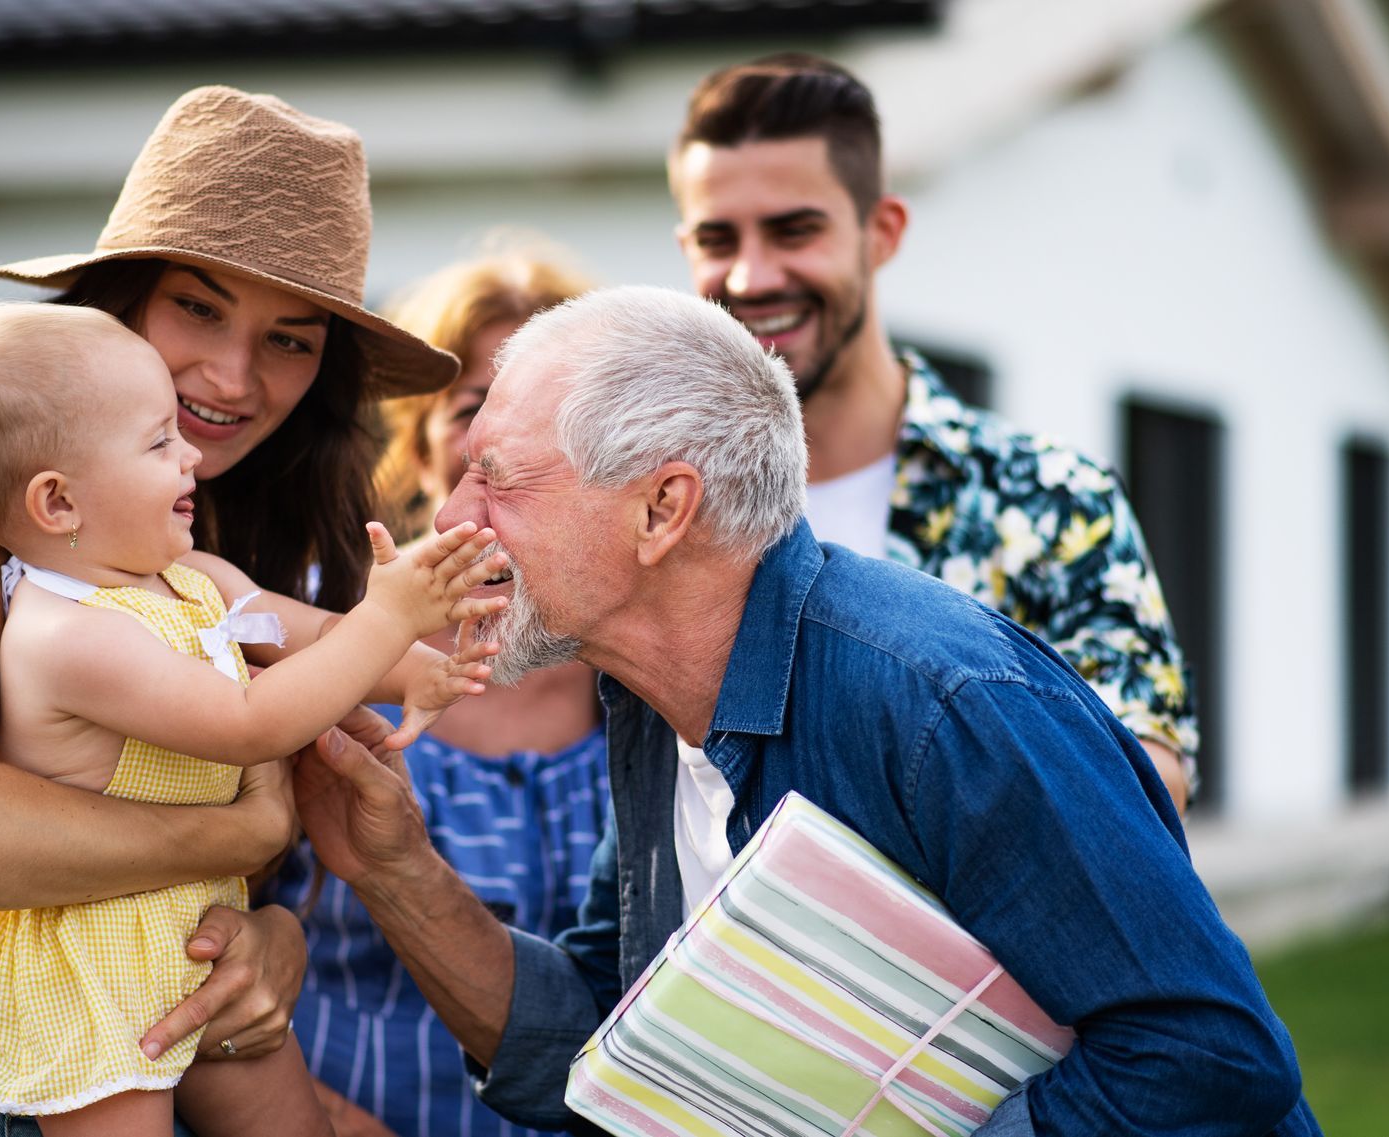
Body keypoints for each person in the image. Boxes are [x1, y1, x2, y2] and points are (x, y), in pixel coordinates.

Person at [293, 286, 1322, 1136]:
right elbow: (610, 1041)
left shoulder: (939, 705)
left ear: (662, 509)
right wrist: (397, 872)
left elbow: (1210, 1056)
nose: (454, 518)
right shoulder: (649, 704)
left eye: (498, 480)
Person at [0, 86, 460, 1137]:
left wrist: (277, 940)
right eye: (197, 308)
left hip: (170, 1025)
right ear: (119, 301)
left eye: (291, 341)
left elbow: (279, 837)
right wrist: (240, 827)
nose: (230, 376)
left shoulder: (222, 525)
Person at [668, 54, 1197, 812]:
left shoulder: (1053, 503)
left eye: (794, 231)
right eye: (719, 240)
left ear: (881, 232)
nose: (752, 277)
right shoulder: (658, 512)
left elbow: (1144, 790)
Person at [266, 251, 608, 1137]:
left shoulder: (641, 689)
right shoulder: (309, 636)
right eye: (474, 414)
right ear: (421, 449)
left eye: (554, 420)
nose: (509, 447)